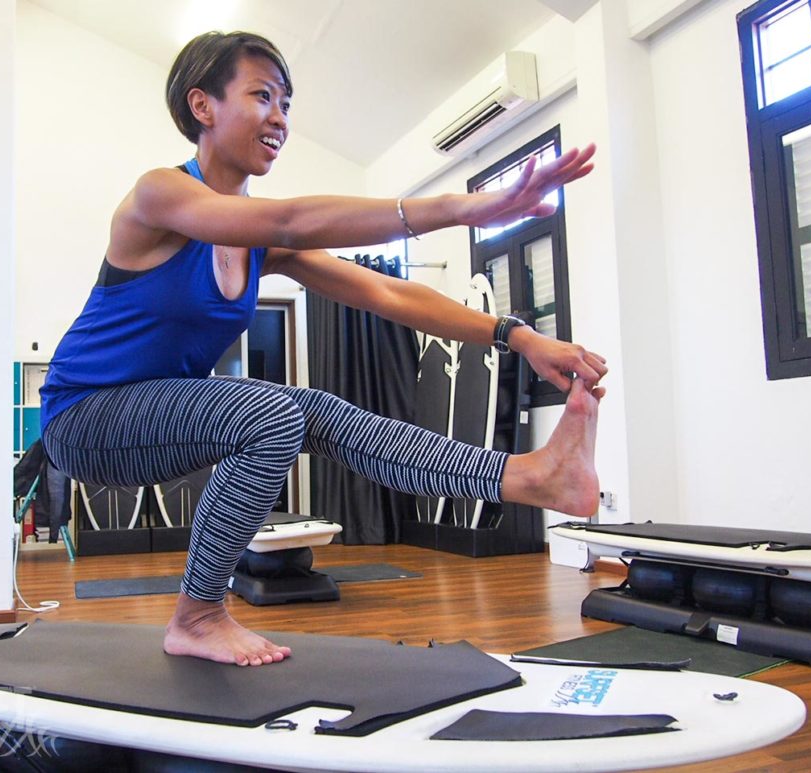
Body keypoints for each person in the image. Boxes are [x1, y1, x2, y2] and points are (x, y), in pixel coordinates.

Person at [40, 31, 607, 668]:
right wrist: (458, 206)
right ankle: (197, 614)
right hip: (83, 419)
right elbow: (287, 219)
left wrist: (519, 336)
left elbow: (386, 295)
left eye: (286, 102)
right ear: (203, 106)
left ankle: (530, 478)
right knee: (273, 414)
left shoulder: (259, 242)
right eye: (262, 96)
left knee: (309, 411)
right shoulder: (158, 196)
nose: (280, 118)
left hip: (153, 414)